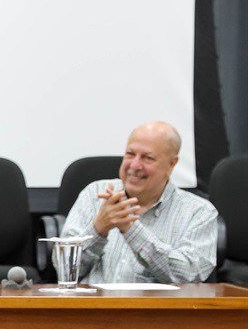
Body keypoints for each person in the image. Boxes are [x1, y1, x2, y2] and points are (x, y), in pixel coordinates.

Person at [61, 121, 218, 284]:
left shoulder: (199, 212)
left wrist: (131, 229)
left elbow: (188, 276)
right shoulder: (95, 194)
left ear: (172, 163)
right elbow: (63, 269)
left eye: (148, 158)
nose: (134, 165)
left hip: (156, 309)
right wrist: (99, 229)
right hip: (92, 306)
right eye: (130, 154)